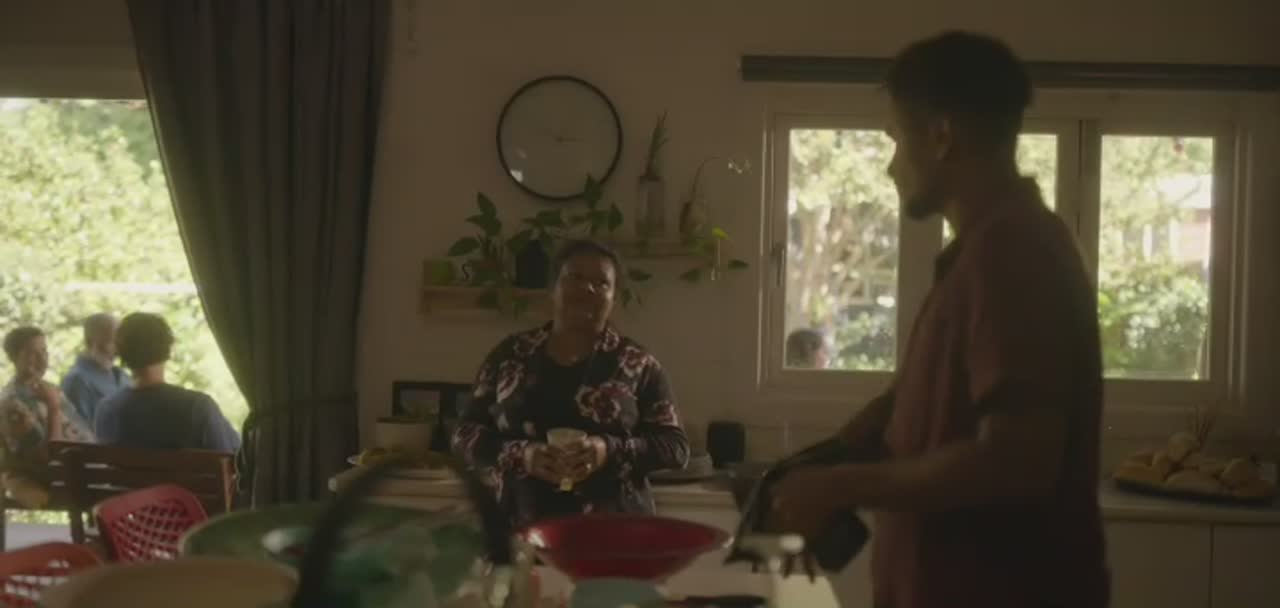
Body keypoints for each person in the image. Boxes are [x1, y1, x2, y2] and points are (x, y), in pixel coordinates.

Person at [768, 31, 1109, 608]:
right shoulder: (982, 252)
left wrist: (838, 485)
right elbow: (946, 407)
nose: (891, 167)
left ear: (941, 136)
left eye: (897, 140)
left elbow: (1017, 461)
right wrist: (845, 448)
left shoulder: (1013, 251)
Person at [452, 239, 690, 528]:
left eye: (601, 283)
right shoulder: (511, 355)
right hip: (520, 530)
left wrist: (607, 450)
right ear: (553, 288)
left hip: (616, 534)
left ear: (614, 299)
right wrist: (523, 455)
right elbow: (464, 435)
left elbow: (676, 448)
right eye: (575, 277)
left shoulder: (638, 364)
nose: (587, 288)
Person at [94, 312, 241, 452]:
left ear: (120, 352)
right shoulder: (197, 407)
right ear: (169, 349)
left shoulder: (107, 410)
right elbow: (232, 456)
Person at [0, 326, 95, 507]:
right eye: (32, 354)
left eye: (44, 351)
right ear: (15, 358)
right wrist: (53, 408)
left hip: (91, 468)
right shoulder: (11, 405)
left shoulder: (50, 389)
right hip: (65, 477)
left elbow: (83, 433)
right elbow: (48, 458)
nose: (42, 359)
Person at [60, 313, 129, 424]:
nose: (118, 347)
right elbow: (79, 430)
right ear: (90, 342)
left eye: (120, 341)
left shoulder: (123, 376)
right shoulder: (77, 381)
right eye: (112, 341)